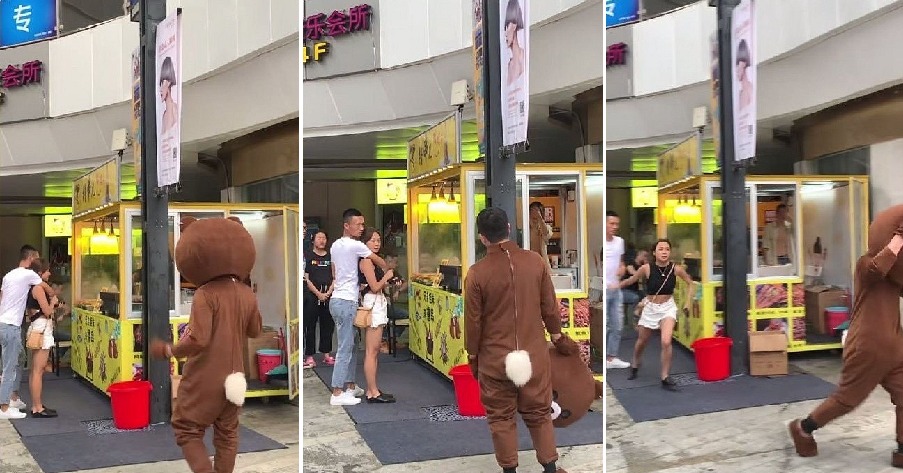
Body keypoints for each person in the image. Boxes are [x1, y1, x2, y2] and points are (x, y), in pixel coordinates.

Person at [789, 206, 903, 467]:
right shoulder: (866, 265)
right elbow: (878, 270)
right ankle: (804, 428)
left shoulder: (895, 276)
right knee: (848, 399)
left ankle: (902, 449)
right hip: (867, 344)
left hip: (894, 346)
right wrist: (899, 238)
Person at [150, 217, 262, 473]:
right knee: (228, 433)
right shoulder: (247, 293)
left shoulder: (205, 293)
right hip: (236, 375)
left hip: (206, 376)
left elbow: (198, 339)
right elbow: (255, 330)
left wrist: (169, 350)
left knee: (186, 428)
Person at [465, 207, 570, 473]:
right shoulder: (535, 262)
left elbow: (473, 322)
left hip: (495, 358)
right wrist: (557, 335)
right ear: (509, 229)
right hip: (533, 355)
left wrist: (473, 354)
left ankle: (509, 470)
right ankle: (550, 467)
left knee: (501, 418)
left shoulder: (477, 273)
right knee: (539, 413)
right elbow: (549, 307)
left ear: (482, 238)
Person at [615, 239, 696, 391]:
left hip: (667, 307)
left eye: (667, 249)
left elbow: (690, 283)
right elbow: (631, 280)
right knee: (642, 341)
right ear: (654, 252)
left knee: (666, 341)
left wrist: (687, 303)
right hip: (650, 307)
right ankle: (635, 362)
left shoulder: (676, 269)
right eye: (661, 249)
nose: (664, 252)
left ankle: (665, 376)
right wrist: (615, 286)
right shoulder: (646, 268)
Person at [329, 208, 389, 406]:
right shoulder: (355, 245)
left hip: (340, 298)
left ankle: (350, 386)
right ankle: (337, 392)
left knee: (352, 344)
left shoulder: (335, 245)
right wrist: (387, 270)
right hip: (346, 301)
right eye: (358, 224)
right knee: (345, 347)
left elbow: (335, 272)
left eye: (363, 224)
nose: (362, 228)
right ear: (346, 225)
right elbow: (380, 261)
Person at [358, 227, 400, 403]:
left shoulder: (374, 261)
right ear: (364, 242)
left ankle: (373, 389)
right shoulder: (366, 261)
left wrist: (388, 281)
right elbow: (374, 287)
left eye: (378, 240)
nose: (376, 243)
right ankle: (372, 391)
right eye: (372, 240)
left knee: (374, 350)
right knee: (371, 351)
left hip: (377, 302)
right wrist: (387, 276)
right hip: (373, 303)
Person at [24, 259, 59, 418]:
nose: (49, 273)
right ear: (40, 273)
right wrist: (53, 302)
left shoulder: (33, 286)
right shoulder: (38, 288)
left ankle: (37, 404)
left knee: (35, 370)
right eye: (47, 270)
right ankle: (37, 407)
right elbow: (47, 311)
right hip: (42, 328)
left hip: (36, 327)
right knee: (38, 370)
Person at [303, 230, 335, 369]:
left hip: (328, 294)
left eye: (324, 238)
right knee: (310, 325)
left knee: (327, 325)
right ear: (313, 240)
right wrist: (318, 294)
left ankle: (326, 354)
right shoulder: (308, 255)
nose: (322, 240)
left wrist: (328, 292)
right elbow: (306, 278)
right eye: (319, 238)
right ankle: (309, 355)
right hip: (312, 295)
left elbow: (335, 276)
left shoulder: (330, 256)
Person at [604, 211, 630, 369]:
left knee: (617, 325)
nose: (614, 227)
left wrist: (622, 268)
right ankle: (604, 358)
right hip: (606, 289)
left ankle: (611, 358)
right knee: (606, 325)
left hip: (616, 289)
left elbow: (621, 263)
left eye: (617, 224)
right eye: (611, 223)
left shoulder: (619, 242)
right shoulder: (601, 242)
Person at [622, 250, 649, 326]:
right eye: (644, 256)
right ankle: (635, 318)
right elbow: (632, 272)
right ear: (638, 255)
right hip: (625, 290)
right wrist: (641, 271)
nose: (645, 258)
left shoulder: (642, 266)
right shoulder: (630, 263)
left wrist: (646, 265)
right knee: (635, 298)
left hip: (635, 290)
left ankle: (643, 318)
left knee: (647, 298)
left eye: (647, 256)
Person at [159, 56, 179, 134]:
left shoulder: (175, 109)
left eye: (163, 83)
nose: (160, 89)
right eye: (160, 84)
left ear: (169, 83)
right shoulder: (164, 115)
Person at [529, 202, 552, 266]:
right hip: (528, 261)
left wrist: (540, 218)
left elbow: (546, 234)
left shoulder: (545, 227)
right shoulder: (526, 229)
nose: (534, 213)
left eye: (537, 211)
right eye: (532, 210)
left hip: (542, 262)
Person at [736, 39, 754, 110]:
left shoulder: (747, 90)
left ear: (743, 64)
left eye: (737, 66)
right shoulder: (748, 88)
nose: (736, 71)